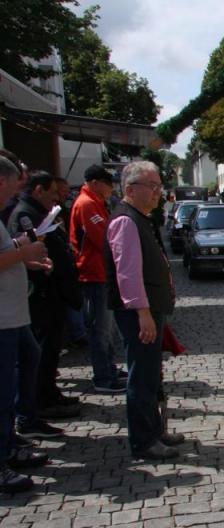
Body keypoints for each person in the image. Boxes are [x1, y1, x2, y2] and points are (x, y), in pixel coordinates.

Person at [105, 161, 182, 460]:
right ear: (130, 189)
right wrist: (143, 312)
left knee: (152, 375)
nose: (157, 193)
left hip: (149, 309)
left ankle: (154, 429)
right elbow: (128, 274)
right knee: (142, 375)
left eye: (159, 186)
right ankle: (143, 440)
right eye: (152, 186)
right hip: (139, 312)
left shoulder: (140, 217)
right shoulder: (126, 220)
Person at [8, 172, 82, 421]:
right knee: (38, 352)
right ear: (38, 190)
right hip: (39, 295)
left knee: (48, 350)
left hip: (50, 291)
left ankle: (47, 394)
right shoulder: (24, 214)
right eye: (52, 193)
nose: (56, 199)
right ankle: (36, 404)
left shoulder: (35, 212)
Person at [0, 157, 54, 494]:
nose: (15, 192)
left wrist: (23, 251)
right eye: (12, 185)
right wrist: (24, 252)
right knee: (3, 390)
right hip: (3, 318)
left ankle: (10, 442)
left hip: (13, 314)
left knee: (22, 369)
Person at [70, 165, 126, 394]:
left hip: (102, 272)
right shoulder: (86, 204)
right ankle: (103, 377)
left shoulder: (95, 202)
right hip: (94, 273)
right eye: (108, 183)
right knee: (100, 329)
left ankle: (109, 369)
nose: (111, 188)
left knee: (106, 327)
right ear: (95, 182)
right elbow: (103, 237)